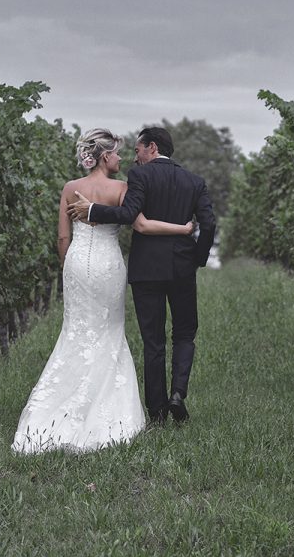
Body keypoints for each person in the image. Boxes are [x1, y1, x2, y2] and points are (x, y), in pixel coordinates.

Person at [11, 128, 193, 454]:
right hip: (109, 264)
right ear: (105, 156)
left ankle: (53, 412)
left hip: (77, 263)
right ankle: (108, 410)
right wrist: (183, 229)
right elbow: (141, 225)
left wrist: (70, 266)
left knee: (75, 331)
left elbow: (62, 238)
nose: (122, 159)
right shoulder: (122, 188)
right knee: (108, 330)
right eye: (118, 154)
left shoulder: (70, 188)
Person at [68, 126, 216, 427]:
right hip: (182, 267)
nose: (134, 159)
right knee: (185, 332)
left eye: (137, 151)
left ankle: (158, 412)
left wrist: (92, 210)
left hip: (147, 268)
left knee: (153, 340)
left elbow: (128, 215)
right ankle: (178, 393)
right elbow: (209, 224)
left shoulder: (140, 177)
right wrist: (197, 259)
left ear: (151, 147)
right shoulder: (195, 181)